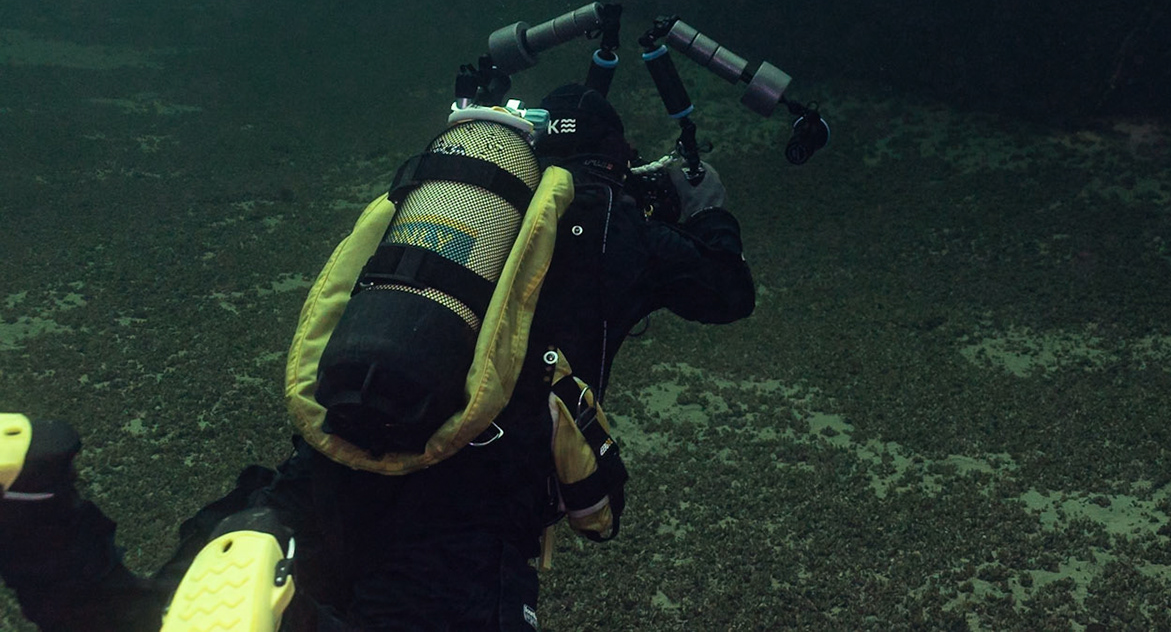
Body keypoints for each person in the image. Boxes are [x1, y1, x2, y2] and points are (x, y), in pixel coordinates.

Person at [2, 84, 756, 632]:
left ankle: (33, 500)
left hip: (331, 459)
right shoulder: (613, 219)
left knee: (156, 619)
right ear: (616, 160)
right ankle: (289, 618)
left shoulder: (453, 196)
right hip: (473, 508)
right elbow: (729, 292)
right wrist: (708, 209)